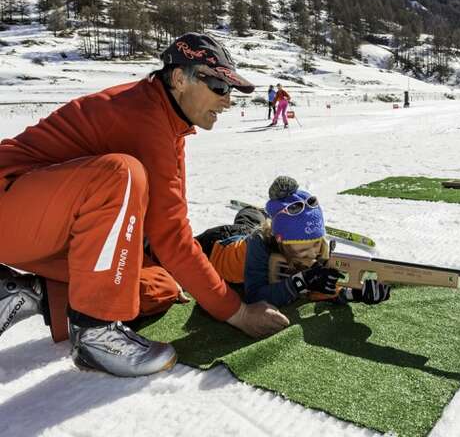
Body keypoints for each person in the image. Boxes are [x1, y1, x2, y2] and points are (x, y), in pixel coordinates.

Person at [0, 32, 289, 378]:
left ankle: (26, 292)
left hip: (46, 223)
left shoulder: (168, 121)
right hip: (11, 200)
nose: (227, 101)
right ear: (180, 79)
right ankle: (95, 331)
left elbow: (169, 224)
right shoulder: (143, 118)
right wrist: (237, 313)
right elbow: (171, 236)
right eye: (219, 87)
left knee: (159, 287)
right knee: (121, 175)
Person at [194, 176, 391, 307]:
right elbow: (254, 296)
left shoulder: (318, 249)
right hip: (219, 244)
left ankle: (260, 215)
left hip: (260, 230)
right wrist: (301, 281)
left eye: (316, 242)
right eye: (304, 245)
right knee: (173, 254)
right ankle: (257, 214)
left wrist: (357, 293)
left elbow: (324, 288)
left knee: (254, 219)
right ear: (282, 240)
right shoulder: (259, 246)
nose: (313, 252)